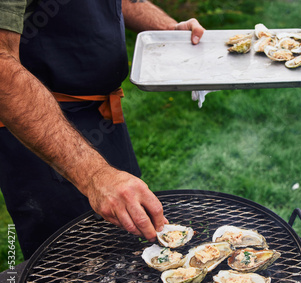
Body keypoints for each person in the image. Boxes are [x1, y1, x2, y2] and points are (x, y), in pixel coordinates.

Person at [0, 0, 205, 259]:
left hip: (105, 116)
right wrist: (95, 175)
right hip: (40, 129)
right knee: (73, 268)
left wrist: (167, 28)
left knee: (131, 245)